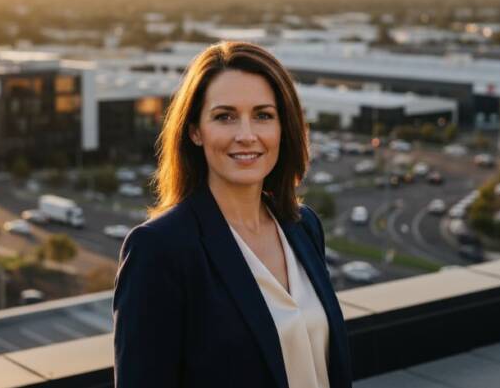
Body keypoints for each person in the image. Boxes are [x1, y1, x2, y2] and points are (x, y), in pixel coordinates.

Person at [113, 41, 352, 388]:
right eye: (224, 116)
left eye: (263, 115)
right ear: (195, 130)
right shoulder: (159, 249)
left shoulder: (303, 227)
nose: (246, 135)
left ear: (284, 128)